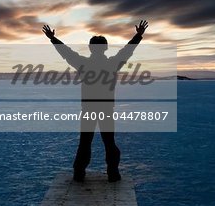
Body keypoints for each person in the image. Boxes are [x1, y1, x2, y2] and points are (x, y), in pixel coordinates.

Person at [42, 20, 148, 182]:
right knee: (108, 143)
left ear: (91, 48)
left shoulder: (84, 63)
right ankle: (112, 173)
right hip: (104, 110)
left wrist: (53, 39)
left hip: (90, 110)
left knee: (86, 143)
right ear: (104, 48)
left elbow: (67, 53)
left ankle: (80, 173)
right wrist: (138, 36)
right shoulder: (111, 63)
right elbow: (127, 51)